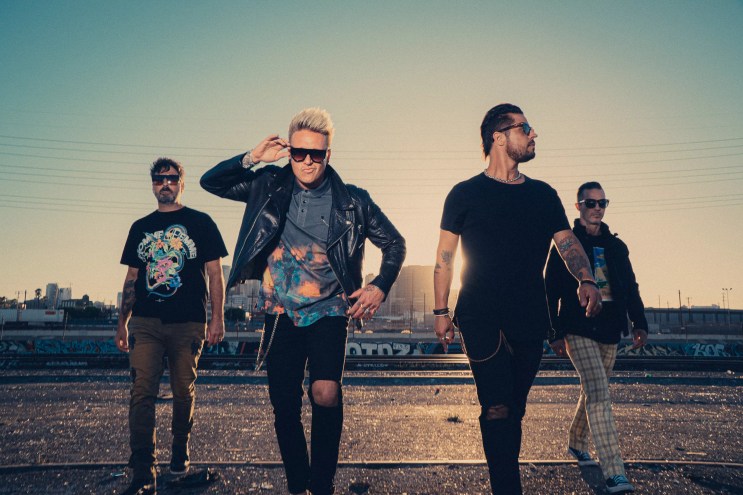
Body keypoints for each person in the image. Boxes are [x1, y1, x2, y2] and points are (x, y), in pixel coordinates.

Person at [200, 108, 405, 495]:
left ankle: (322, 484)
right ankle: (299, 484)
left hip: (330, 309)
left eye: (316, 154)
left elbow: (395, 243)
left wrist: (380, 285)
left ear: (329, 155)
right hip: (280, 312)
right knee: (284, 405)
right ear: (290, 151)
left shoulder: (354, 201)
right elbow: (210, 182)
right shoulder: (267, 186)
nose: (307, 161)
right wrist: (252, 157)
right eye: (299, 153)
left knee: (325, 393)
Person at [433, 103, 602, 495]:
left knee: (515, 408)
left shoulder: (543, 195)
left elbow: (567, 243)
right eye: (525, 128)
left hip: (529, 314)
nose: (533, 134)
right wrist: (441, 310)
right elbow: (444, 257)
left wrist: (586, 278)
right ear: (498, 136)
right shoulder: (464, 194)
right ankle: (507, 487)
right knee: (496, 405)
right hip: (479, 314)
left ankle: (505, 476)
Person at [116, 158, 228, 495]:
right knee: (141, 393)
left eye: (172, 178)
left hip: (188, 322)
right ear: (152, 184)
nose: (165, 183)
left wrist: (217, 318)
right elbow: (132, 278)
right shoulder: (140, 227)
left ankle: (180, 449)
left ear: (181, 183)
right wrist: (122, 322)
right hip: (146, 322)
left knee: (183, 392)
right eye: (159, 178)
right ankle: (143, 470)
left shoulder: (201, 222)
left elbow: (215, 274)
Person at [545, 181, 648, 494]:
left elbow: (630, 287)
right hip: (577, 329)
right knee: (600, 395)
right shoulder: (566, 245)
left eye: (602, 203)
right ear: (579, 206)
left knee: (594, 389)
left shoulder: (617, 247)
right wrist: (554, 333)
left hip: (610, 330)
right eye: (590, 203)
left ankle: (577, 442)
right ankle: (614, 472)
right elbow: (549, 291)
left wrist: (639, 323)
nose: (597, 208)